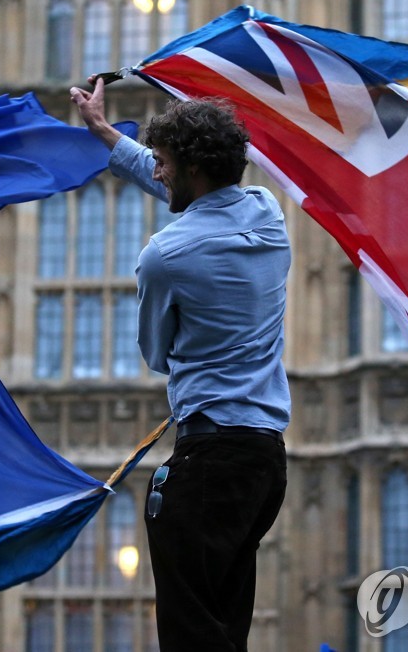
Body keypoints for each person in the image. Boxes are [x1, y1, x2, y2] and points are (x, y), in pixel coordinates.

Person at [71, 77, 291, 652]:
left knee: (192, 634)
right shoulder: (269, 215)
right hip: (264, 461)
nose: (158, 172)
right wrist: (105, 135)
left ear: (190, 170)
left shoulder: (163, 256)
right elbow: (189, 190)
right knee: (226, 626)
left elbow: (155, 354)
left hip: (208, 459)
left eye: (164, 163)